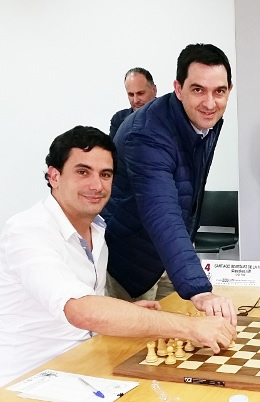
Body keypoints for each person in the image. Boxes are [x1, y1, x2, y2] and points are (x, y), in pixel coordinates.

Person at [0, 127, 235, 387]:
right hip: (33, 381)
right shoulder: (28, 230)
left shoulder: (97, 228)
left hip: (86, 363)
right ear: (54, 176)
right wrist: (190, 328)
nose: (96, 185)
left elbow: (88, 306)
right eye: (82, 172)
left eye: (105, 174)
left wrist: (125, 313)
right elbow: (81, 311)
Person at [102, 44, 236, 324]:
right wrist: (198, 288)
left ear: (229, 90)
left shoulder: (202, 119)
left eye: (219, 91)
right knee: (131, 357)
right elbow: (161, 211)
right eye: (198, 89)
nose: (210, 103)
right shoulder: (148, 134)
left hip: (168, 257)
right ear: (178, 88)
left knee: (178, 347)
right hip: (132, 262)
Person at [109, 67, 157, 139]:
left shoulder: (170, 114)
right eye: (131, 94)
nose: (135, 100)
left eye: (140, 93)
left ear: (154, 90)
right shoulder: (118, 120)